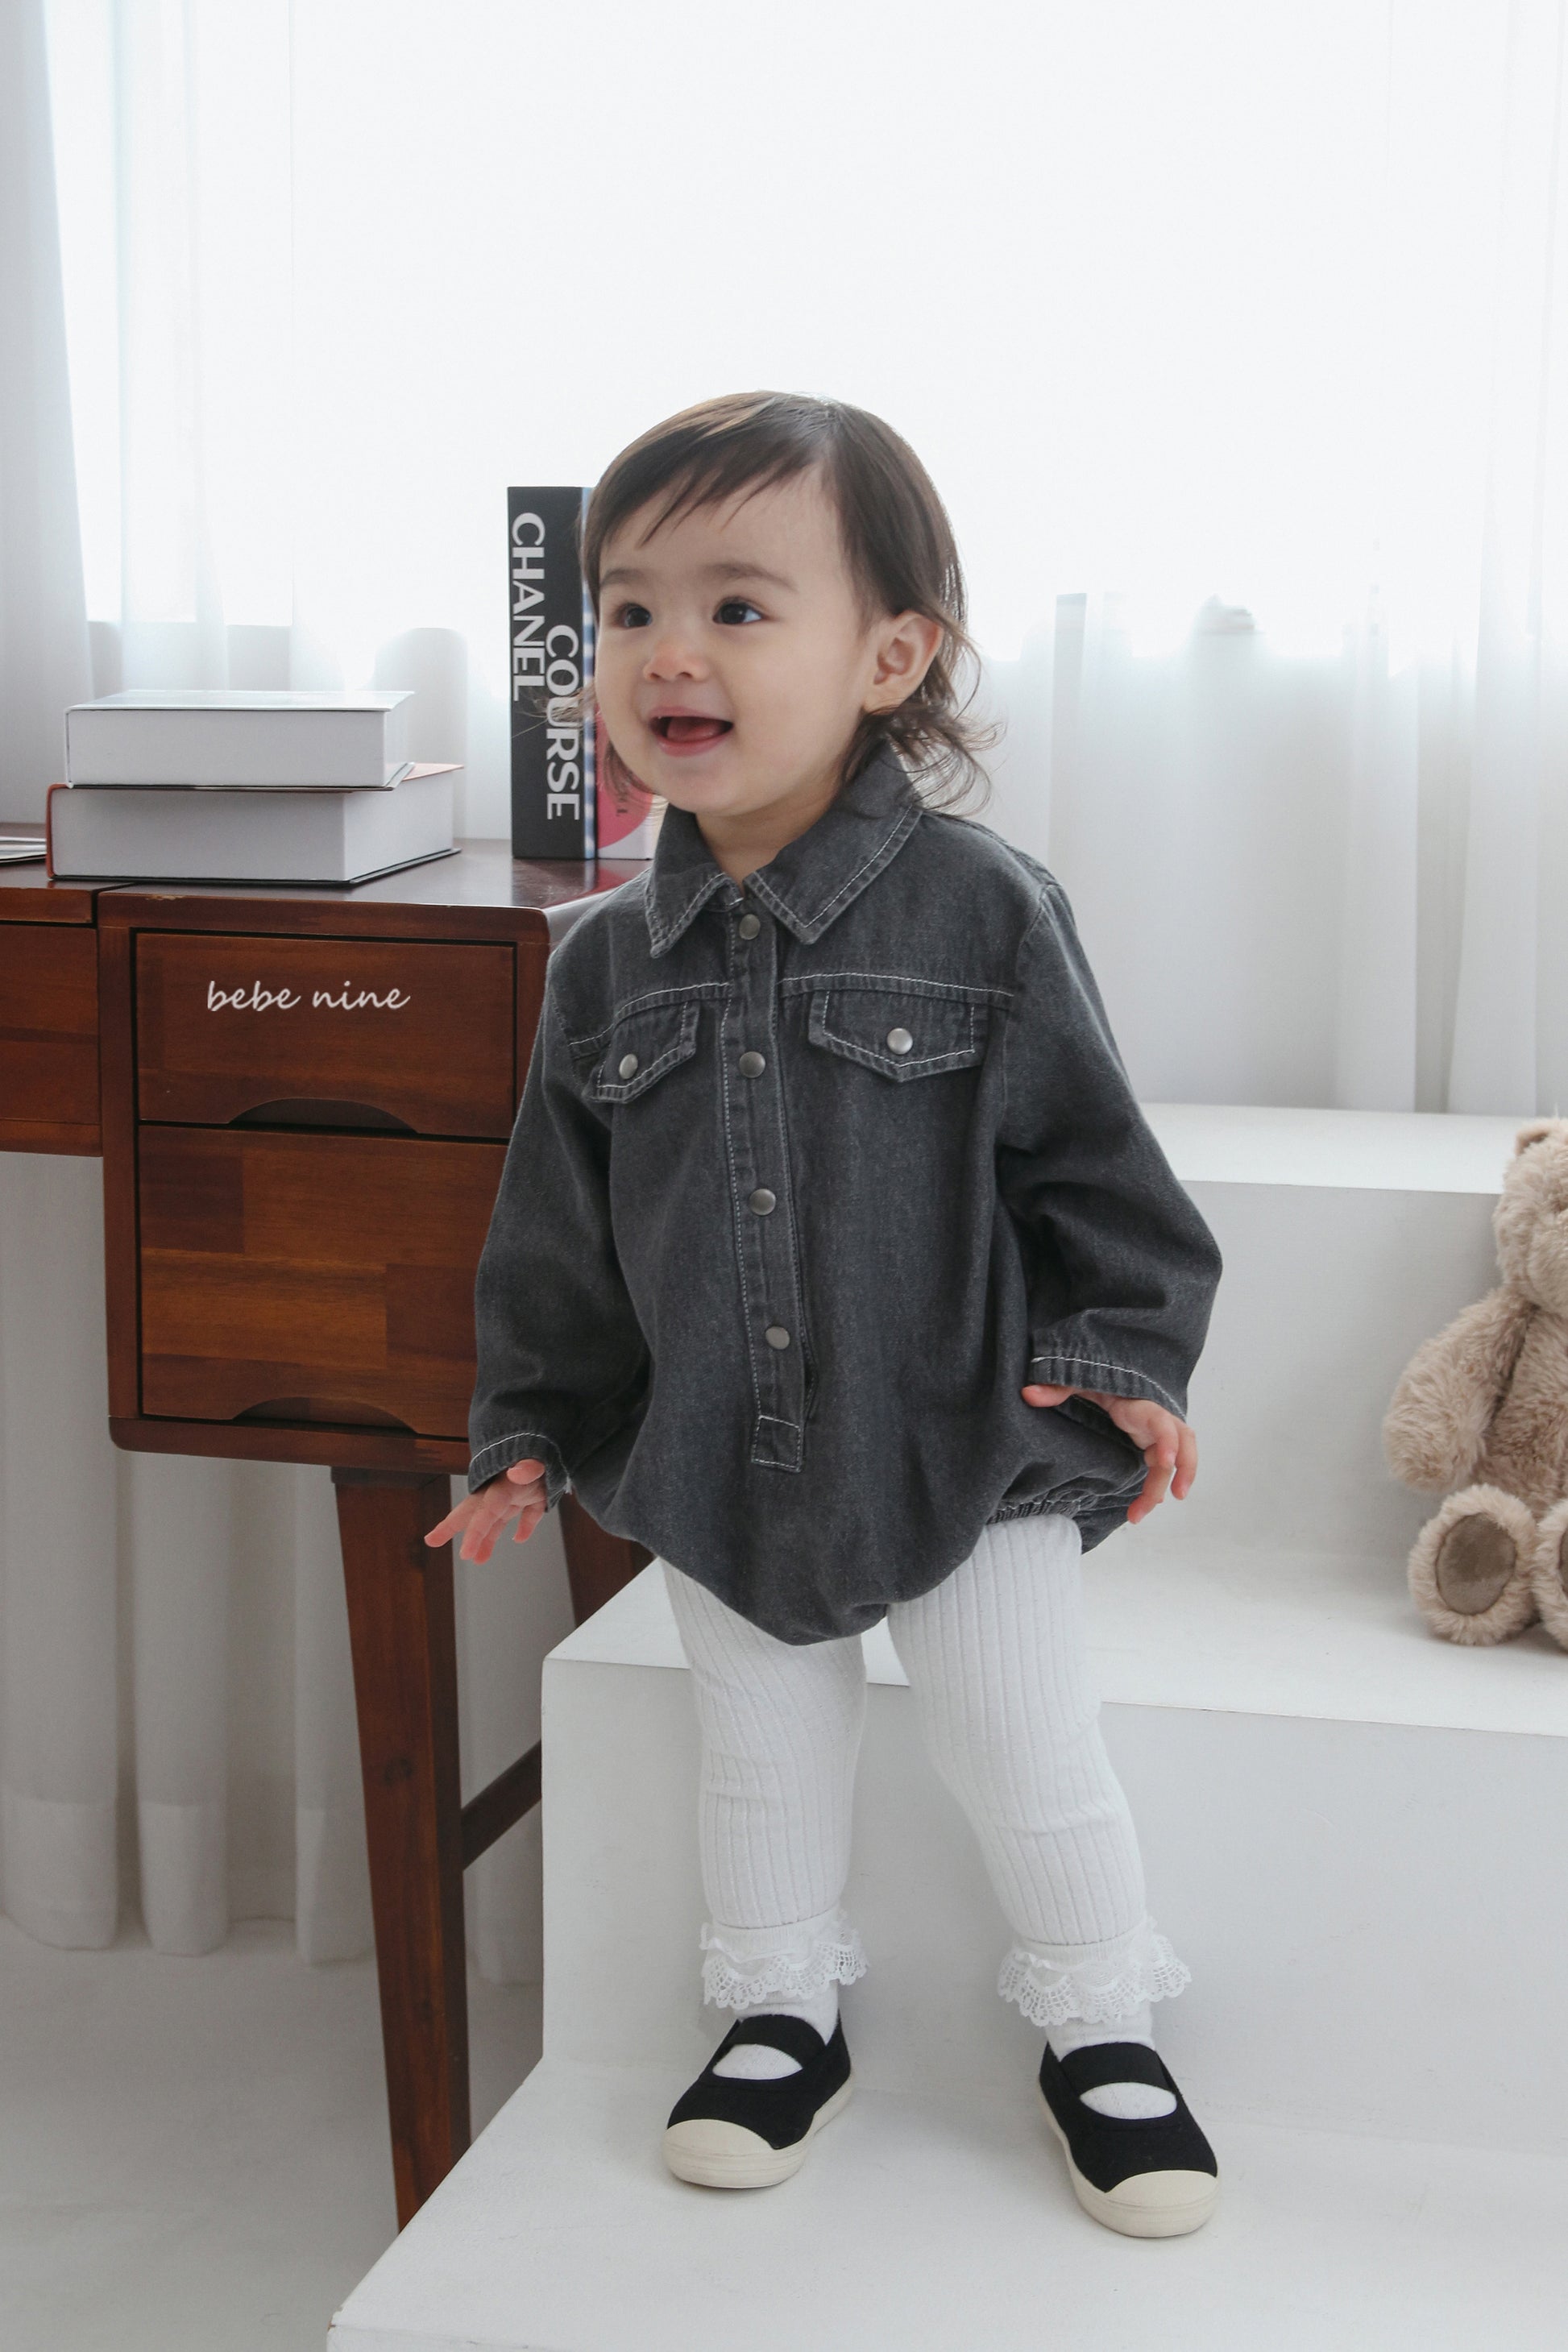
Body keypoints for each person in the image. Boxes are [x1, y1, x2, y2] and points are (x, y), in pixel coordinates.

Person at [425, 391, 1226, 2239]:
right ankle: (780, 2011)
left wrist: (1119, 1358)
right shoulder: (598, 964)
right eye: (630, 608)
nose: (667, 649)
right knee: (761, 1746)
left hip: (972, 1432)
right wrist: (531, 1424)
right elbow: (555, 1233)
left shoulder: (984, 911)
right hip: (718, 1443)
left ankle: (1101, 2022)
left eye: (735, 604)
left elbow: (1099, 1170)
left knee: (1022, 1742)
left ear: (890, 655)